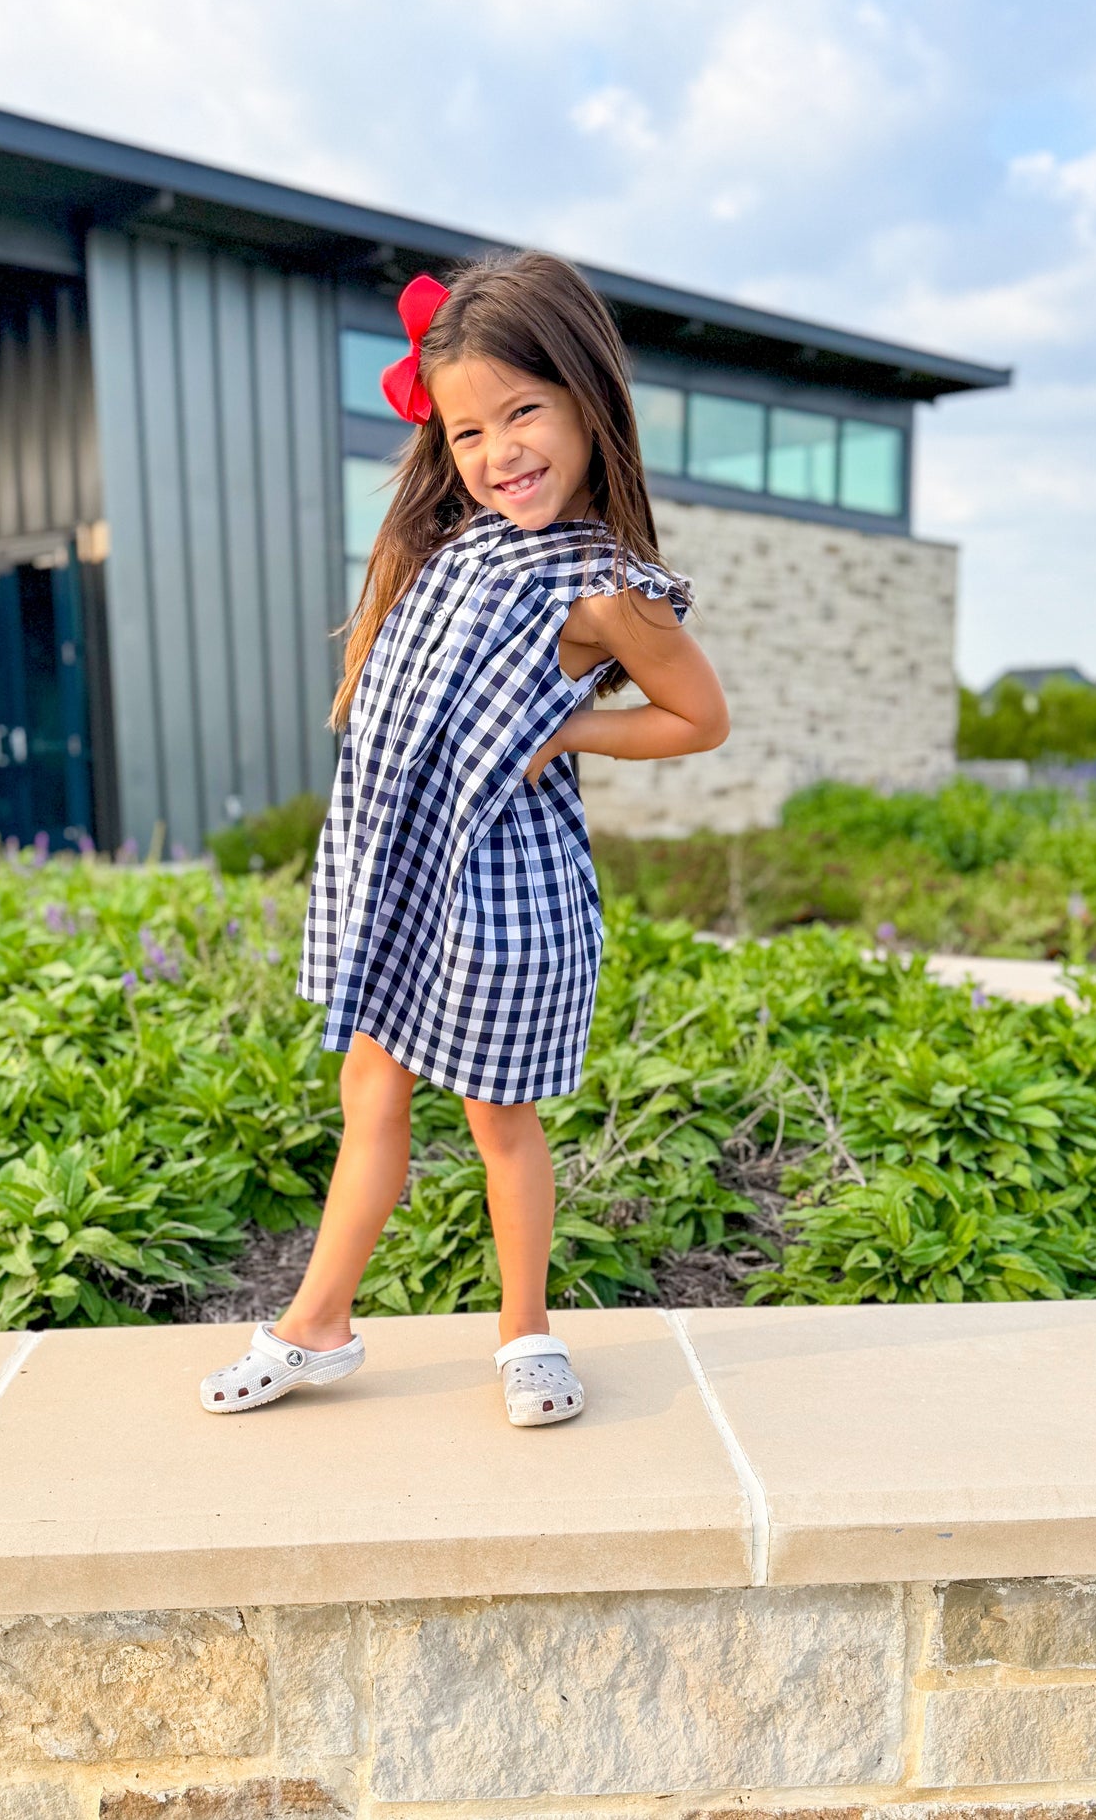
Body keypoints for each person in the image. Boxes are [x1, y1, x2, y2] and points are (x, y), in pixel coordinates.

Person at [200, 250, 729, 1427]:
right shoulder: (451, 547)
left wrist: (564, 735)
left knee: (499, 1119)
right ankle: (317, 1323)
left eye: (524, 411)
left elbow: (699, 717)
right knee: (369, 1090)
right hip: (402, 878)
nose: (500, 452)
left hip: (500, 892)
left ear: (589, 397)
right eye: (470, 429)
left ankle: (525, 1333)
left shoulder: (603, 591)